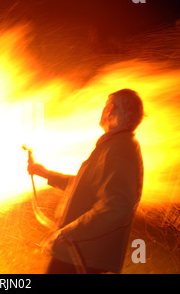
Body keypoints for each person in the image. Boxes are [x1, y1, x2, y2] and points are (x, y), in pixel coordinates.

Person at [28, 89, 144, 274]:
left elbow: (117, 207)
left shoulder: (120, 151)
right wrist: (45, 173)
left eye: (105, 105)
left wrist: (70, 233)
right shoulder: (114, 146)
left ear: (110, 110)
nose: (103, 109)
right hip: (79, 254)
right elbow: (84, 187)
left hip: (82, 257)